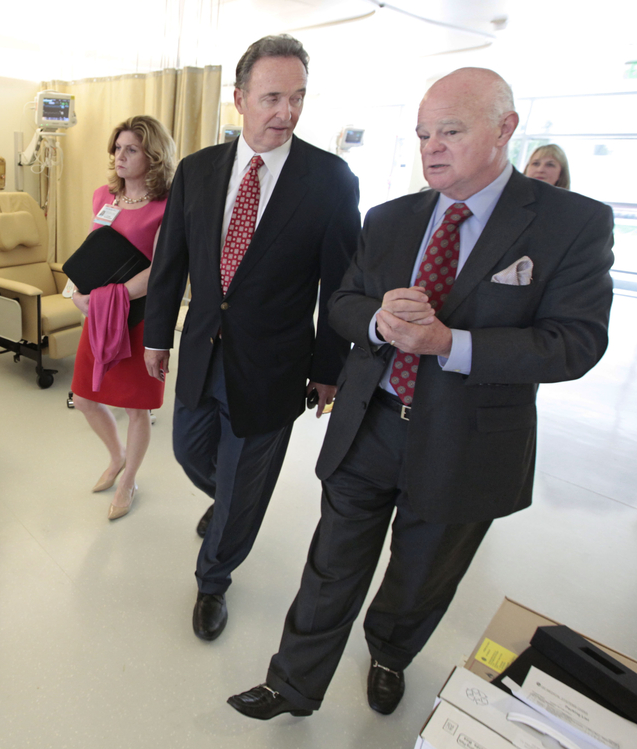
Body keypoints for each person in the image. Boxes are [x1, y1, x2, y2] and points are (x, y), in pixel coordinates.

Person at [228, 67, 614, 721]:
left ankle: (389, 653)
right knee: (331, 562)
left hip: (467, 437)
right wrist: (379, 322)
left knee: (422, 572)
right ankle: (292, 683)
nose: (431, 148)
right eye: (422, 134)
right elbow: (344, 301)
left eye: (450, 132)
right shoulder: (390, 219)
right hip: (370, 420)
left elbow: (575, 342)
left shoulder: (568, 223)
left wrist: (449, 343)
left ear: (504, 129)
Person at [142, 35, 361, 642]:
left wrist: (330, 369)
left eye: (298, 98)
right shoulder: (198, 171)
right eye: (272, 98)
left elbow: (339, 286)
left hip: (275, 365)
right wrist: (157, 337)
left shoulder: (330, 180)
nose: (286, 112)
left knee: (242, 480)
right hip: (202, 350)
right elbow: (170, 262)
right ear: (239, 99)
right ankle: (236, 504)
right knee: (190, 452)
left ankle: (213, 580)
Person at [70, 115, 176, 521]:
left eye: (131, 149)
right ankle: (116, 456)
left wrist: (106, 298)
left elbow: (160, 270)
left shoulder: (165, 207)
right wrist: (77, 294)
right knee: (84, 398)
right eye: (117, 148)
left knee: (137, 409)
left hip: (142, 319)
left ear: (153, 155)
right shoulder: (103, 197)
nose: (120, 156)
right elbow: (92, 251)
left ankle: (129, 480)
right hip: (100, 317)